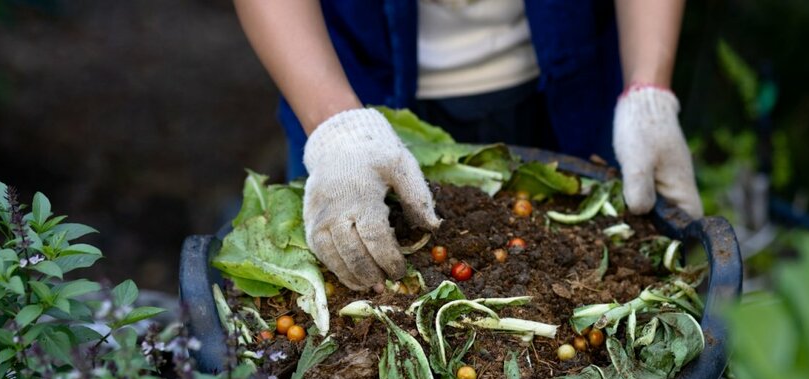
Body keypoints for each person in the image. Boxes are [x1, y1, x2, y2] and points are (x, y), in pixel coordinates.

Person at [233, 0, 702, 291]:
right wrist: (334, 126)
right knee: (350, 260)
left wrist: (649, 89)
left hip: (569, 80)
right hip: (349, 79)